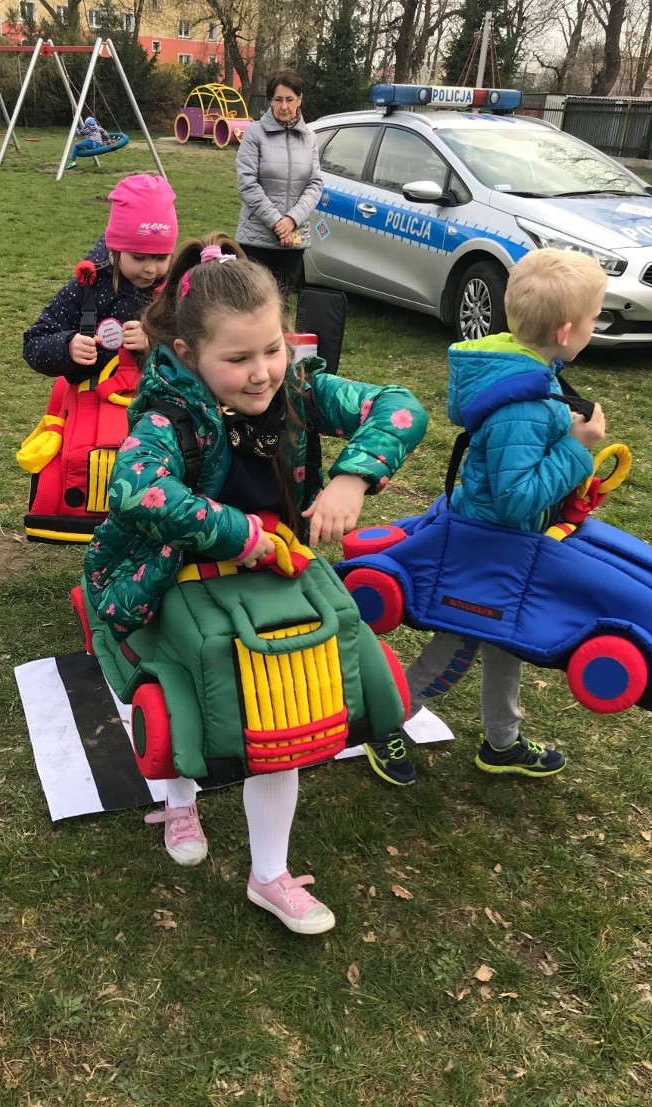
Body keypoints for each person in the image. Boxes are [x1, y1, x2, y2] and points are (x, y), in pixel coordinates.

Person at [84, 236, 428, 933]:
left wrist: (354, 476)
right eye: (237, 359)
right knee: (177, 687)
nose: (262, 372)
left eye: (272, 348)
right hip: (171, 572)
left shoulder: (297, 389)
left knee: (286, 714)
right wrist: (243, 535)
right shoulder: (165, 415)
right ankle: (177, 795)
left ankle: (269, 874)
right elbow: (137, 490)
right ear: (186, 355)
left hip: (277, 578)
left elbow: (399, 407)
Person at [368, 248, 608, 788]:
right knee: (456, 646)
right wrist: (576, 446)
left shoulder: (534, 377)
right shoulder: (524, 405)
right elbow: (513, 499)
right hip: (489, 547)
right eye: (595, 318)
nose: (596, 326)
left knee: (509, 642)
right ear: (567, 330)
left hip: (508, 548)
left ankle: (502, 741)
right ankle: (384, 723)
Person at [23, 173, 178, 381]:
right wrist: (67, 347)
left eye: (161, 258)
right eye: (138, 257)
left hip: (156, 403)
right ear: (115, 250)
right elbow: (34, 343)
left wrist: (156, 343)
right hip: (92, 399)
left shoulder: (176, 292)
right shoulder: (88, 287)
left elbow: (203, 349)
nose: (150, 269)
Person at [235, 69, 322, 296]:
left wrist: (292, 220)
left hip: (293, 240)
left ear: (300, 99)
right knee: (252, 304)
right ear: (270, 101)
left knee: (280, 305)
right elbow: (247, 184)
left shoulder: (310, 137)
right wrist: (277, 222)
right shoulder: (254, 134)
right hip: (257, 239)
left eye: (290, 100)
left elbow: (314, 184)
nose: (284, 106)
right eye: (278, 100)